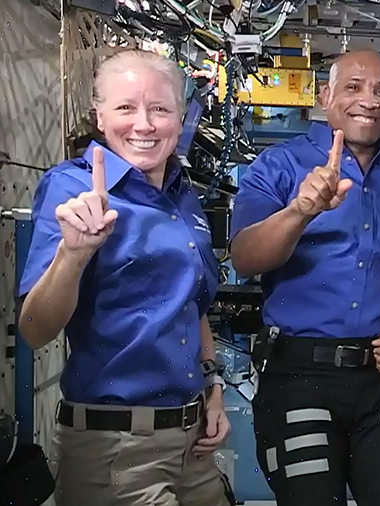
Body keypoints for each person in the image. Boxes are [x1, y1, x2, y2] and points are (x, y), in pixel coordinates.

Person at [229, 49, 380, 506]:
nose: (367, 100)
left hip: (379, 378)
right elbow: (246, 258)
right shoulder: (279, 166)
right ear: (326, 96)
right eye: (353, 87)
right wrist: (300, 210)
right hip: (297, 375)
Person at [17, 49, 231, 506]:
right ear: (99, 115)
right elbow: (35, 330)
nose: (145, 124)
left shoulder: (181, 195)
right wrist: (74, 255)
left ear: (180, 116)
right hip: (116, 448)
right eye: (126, 108)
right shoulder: (71, 189)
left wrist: (213, 387)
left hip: (192, 443)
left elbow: (192, 307)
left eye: (160, 108)